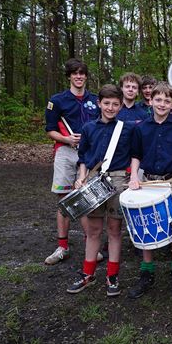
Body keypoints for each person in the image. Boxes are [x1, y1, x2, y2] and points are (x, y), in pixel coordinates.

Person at [127, 82, 172, 298]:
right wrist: (133, 177)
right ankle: (147, 273)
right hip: (148, 182)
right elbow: (136, 154)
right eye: (158, 100)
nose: (162, 104)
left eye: (168, 101)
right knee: (147, 225)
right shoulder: (141, 127)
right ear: (150, 101)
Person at [66, 84, 135, 296]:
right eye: (107, 103)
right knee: (93, 230)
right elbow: (84, 157)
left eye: (115, 104)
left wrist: (132, 177)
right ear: (99, 104)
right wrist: (81, 179)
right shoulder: (88, 128)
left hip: (117, 180)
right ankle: (88, 274)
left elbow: (134, 155)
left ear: (121, 105)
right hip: (94, 181)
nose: (111, 108)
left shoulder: (127, 128)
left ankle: (112, 276)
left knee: (115, 231)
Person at [44, 58, 101, 265]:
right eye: (75, 73)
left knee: (86, 199)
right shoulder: (57, 101)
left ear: (86, 76)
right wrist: (66, 139)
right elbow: (50, 129)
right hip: (65, 153)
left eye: (82, 73)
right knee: (64, 199)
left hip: (88, 155)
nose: (79, 77)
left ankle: (90, 244)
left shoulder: (95, 100)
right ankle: (62, 247)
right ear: (69, 76)